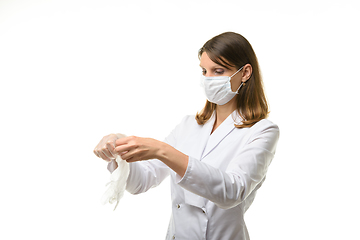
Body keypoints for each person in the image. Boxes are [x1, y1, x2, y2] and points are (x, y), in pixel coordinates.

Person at [93, 32, 279, 240]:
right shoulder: (188, 125)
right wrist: (118, 146)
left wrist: (163, 151)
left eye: (218, 71)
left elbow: (232, 191)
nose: (208, 79)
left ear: (245, 73)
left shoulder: (262, 131)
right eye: (204, 71)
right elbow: (141, 181)